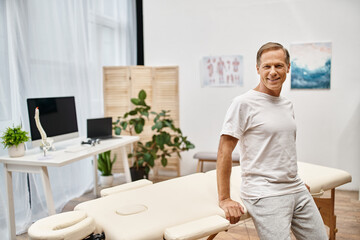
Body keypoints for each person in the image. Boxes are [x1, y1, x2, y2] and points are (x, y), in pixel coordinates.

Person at [216, 42, 328, 240]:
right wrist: (225, 199)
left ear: (288, 67)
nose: (273, 72)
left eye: (278, 65)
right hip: (265, 192)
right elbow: (225, 151)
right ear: (258, 69)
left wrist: (294, 179)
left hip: (295, 187)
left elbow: (283, 147)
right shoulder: (243, 103)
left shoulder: (286, 104)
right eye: (267, 66)